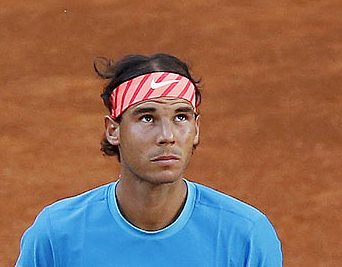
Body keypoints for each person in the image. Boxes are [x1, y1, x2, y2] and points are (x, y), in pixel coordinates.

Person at [15, 53, 283, 266]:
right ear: (113, 130)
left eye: (181, 117)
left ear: (196, 130)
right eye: (147, 118)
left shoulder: (246, 236)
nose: (167, 136)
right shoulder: (57, 234)